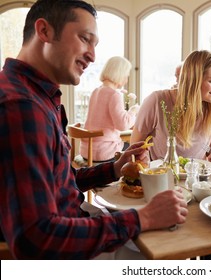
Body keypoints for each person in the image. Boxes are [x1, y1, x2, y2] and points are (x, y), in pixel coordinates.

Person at [0, 0, 187, 260]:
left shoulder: (37, 96)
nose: (93, 55)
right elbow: (36, 239)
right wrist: (144, 217)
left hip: (78, 217)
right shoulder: (21, 108)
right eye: (85, 39)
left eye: (95, 45)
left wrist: (113, 168)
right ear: (44, 32)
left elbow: (57, 182)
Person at [131, 50, 211, 166]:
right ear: (193, 80)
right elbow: (135, 147)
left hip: (197, 180)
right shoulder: (157, 101)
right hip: (162, 177)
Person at [80, 56, 139, 162]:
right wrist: (133, 111)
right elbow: (123, 125)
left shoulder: (96, 91)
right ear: (119, 74)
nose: (126, 80)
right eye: (126, 76)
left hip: (86, 151)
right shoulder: (114, 95)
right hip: (103, 151)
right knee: (136, 151)